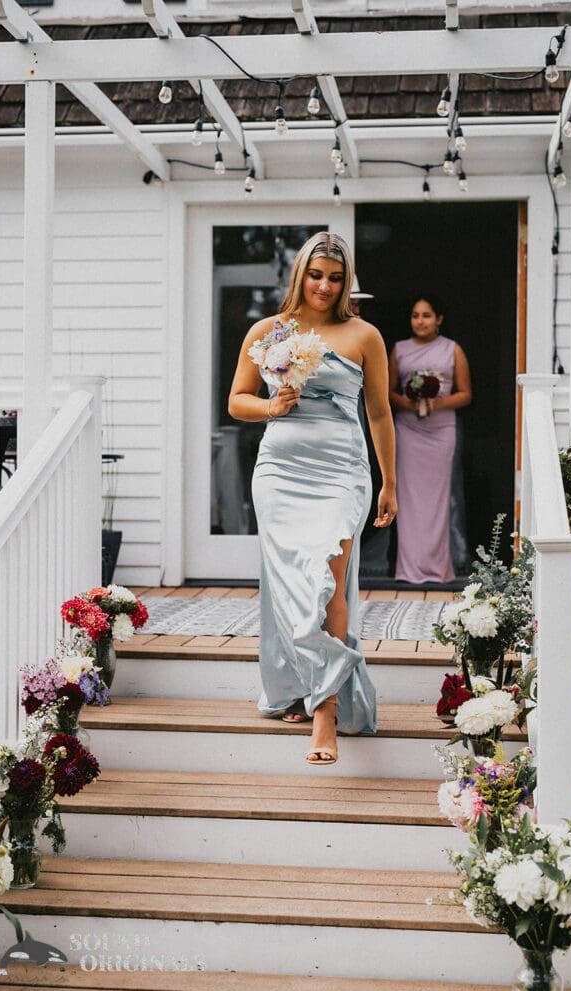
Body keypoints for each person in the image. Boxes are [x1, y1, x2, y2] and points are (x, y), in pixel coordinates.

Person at [228, 232, 397, 765]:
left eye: (335, 277)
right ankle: (302, 685)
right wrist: (272, 408)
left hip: (342, 471)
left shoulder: (364, 335)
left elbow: (379, 413)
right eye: (316, 274)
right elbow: (236, 401)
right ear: (300, 274)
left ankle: (325, 712)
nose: (325, 285)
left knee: (326, 575)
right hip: (280, 471)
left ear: (347, 282)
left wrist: (389, 481)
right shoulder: (269, 331)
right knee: (290, 583)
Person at [388, 294, 472, 584]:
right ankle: (408, 569)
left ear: (439, 319)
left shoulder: (453, 350)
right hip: (408, 431)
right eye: (415, 315)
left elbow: (465, 394)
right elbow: (387, 391)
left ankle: (438, 569)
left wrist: (436, 403)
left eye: (426, 315)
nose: (420, 321)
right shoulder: (399, 349)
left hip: (441, 432)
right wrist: (408, 403)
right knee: (409, 499)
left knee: (437, 500)